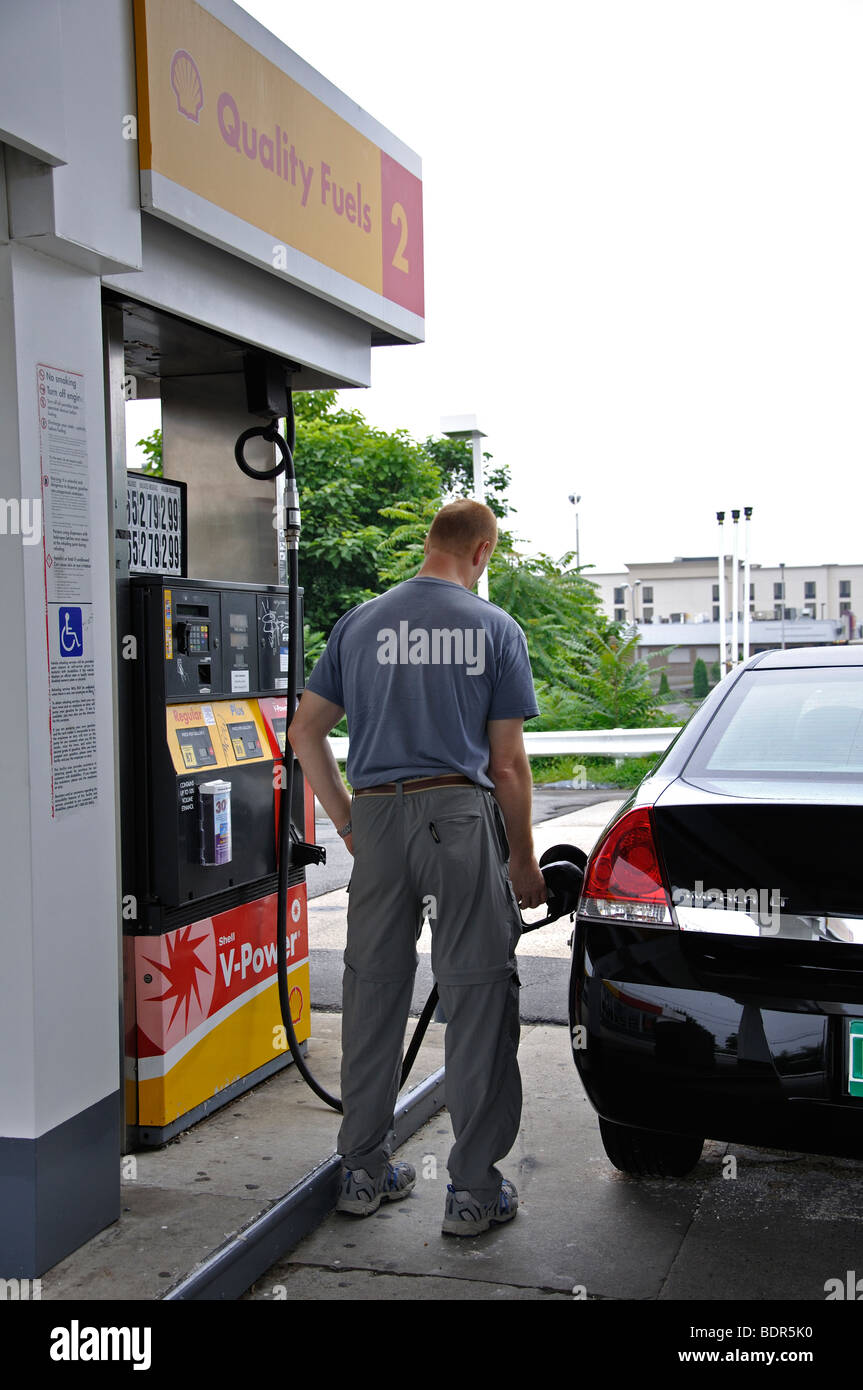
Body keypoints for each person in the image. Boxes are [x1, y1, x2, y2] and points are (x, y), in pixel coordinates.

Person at [287, 498, 546, 1237]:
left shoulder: (361, 622)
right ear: (482, 550)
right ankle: (469, 1194)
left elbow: (305, 733)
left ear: (429, 543)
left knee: (370, 994)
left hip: (375, 815)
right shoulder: (494, 628)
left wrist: (345, 822)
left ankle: (362, 1174)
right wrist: (523, 861)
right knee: (476, 996)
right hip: (457, 821)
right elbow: (506, 763)